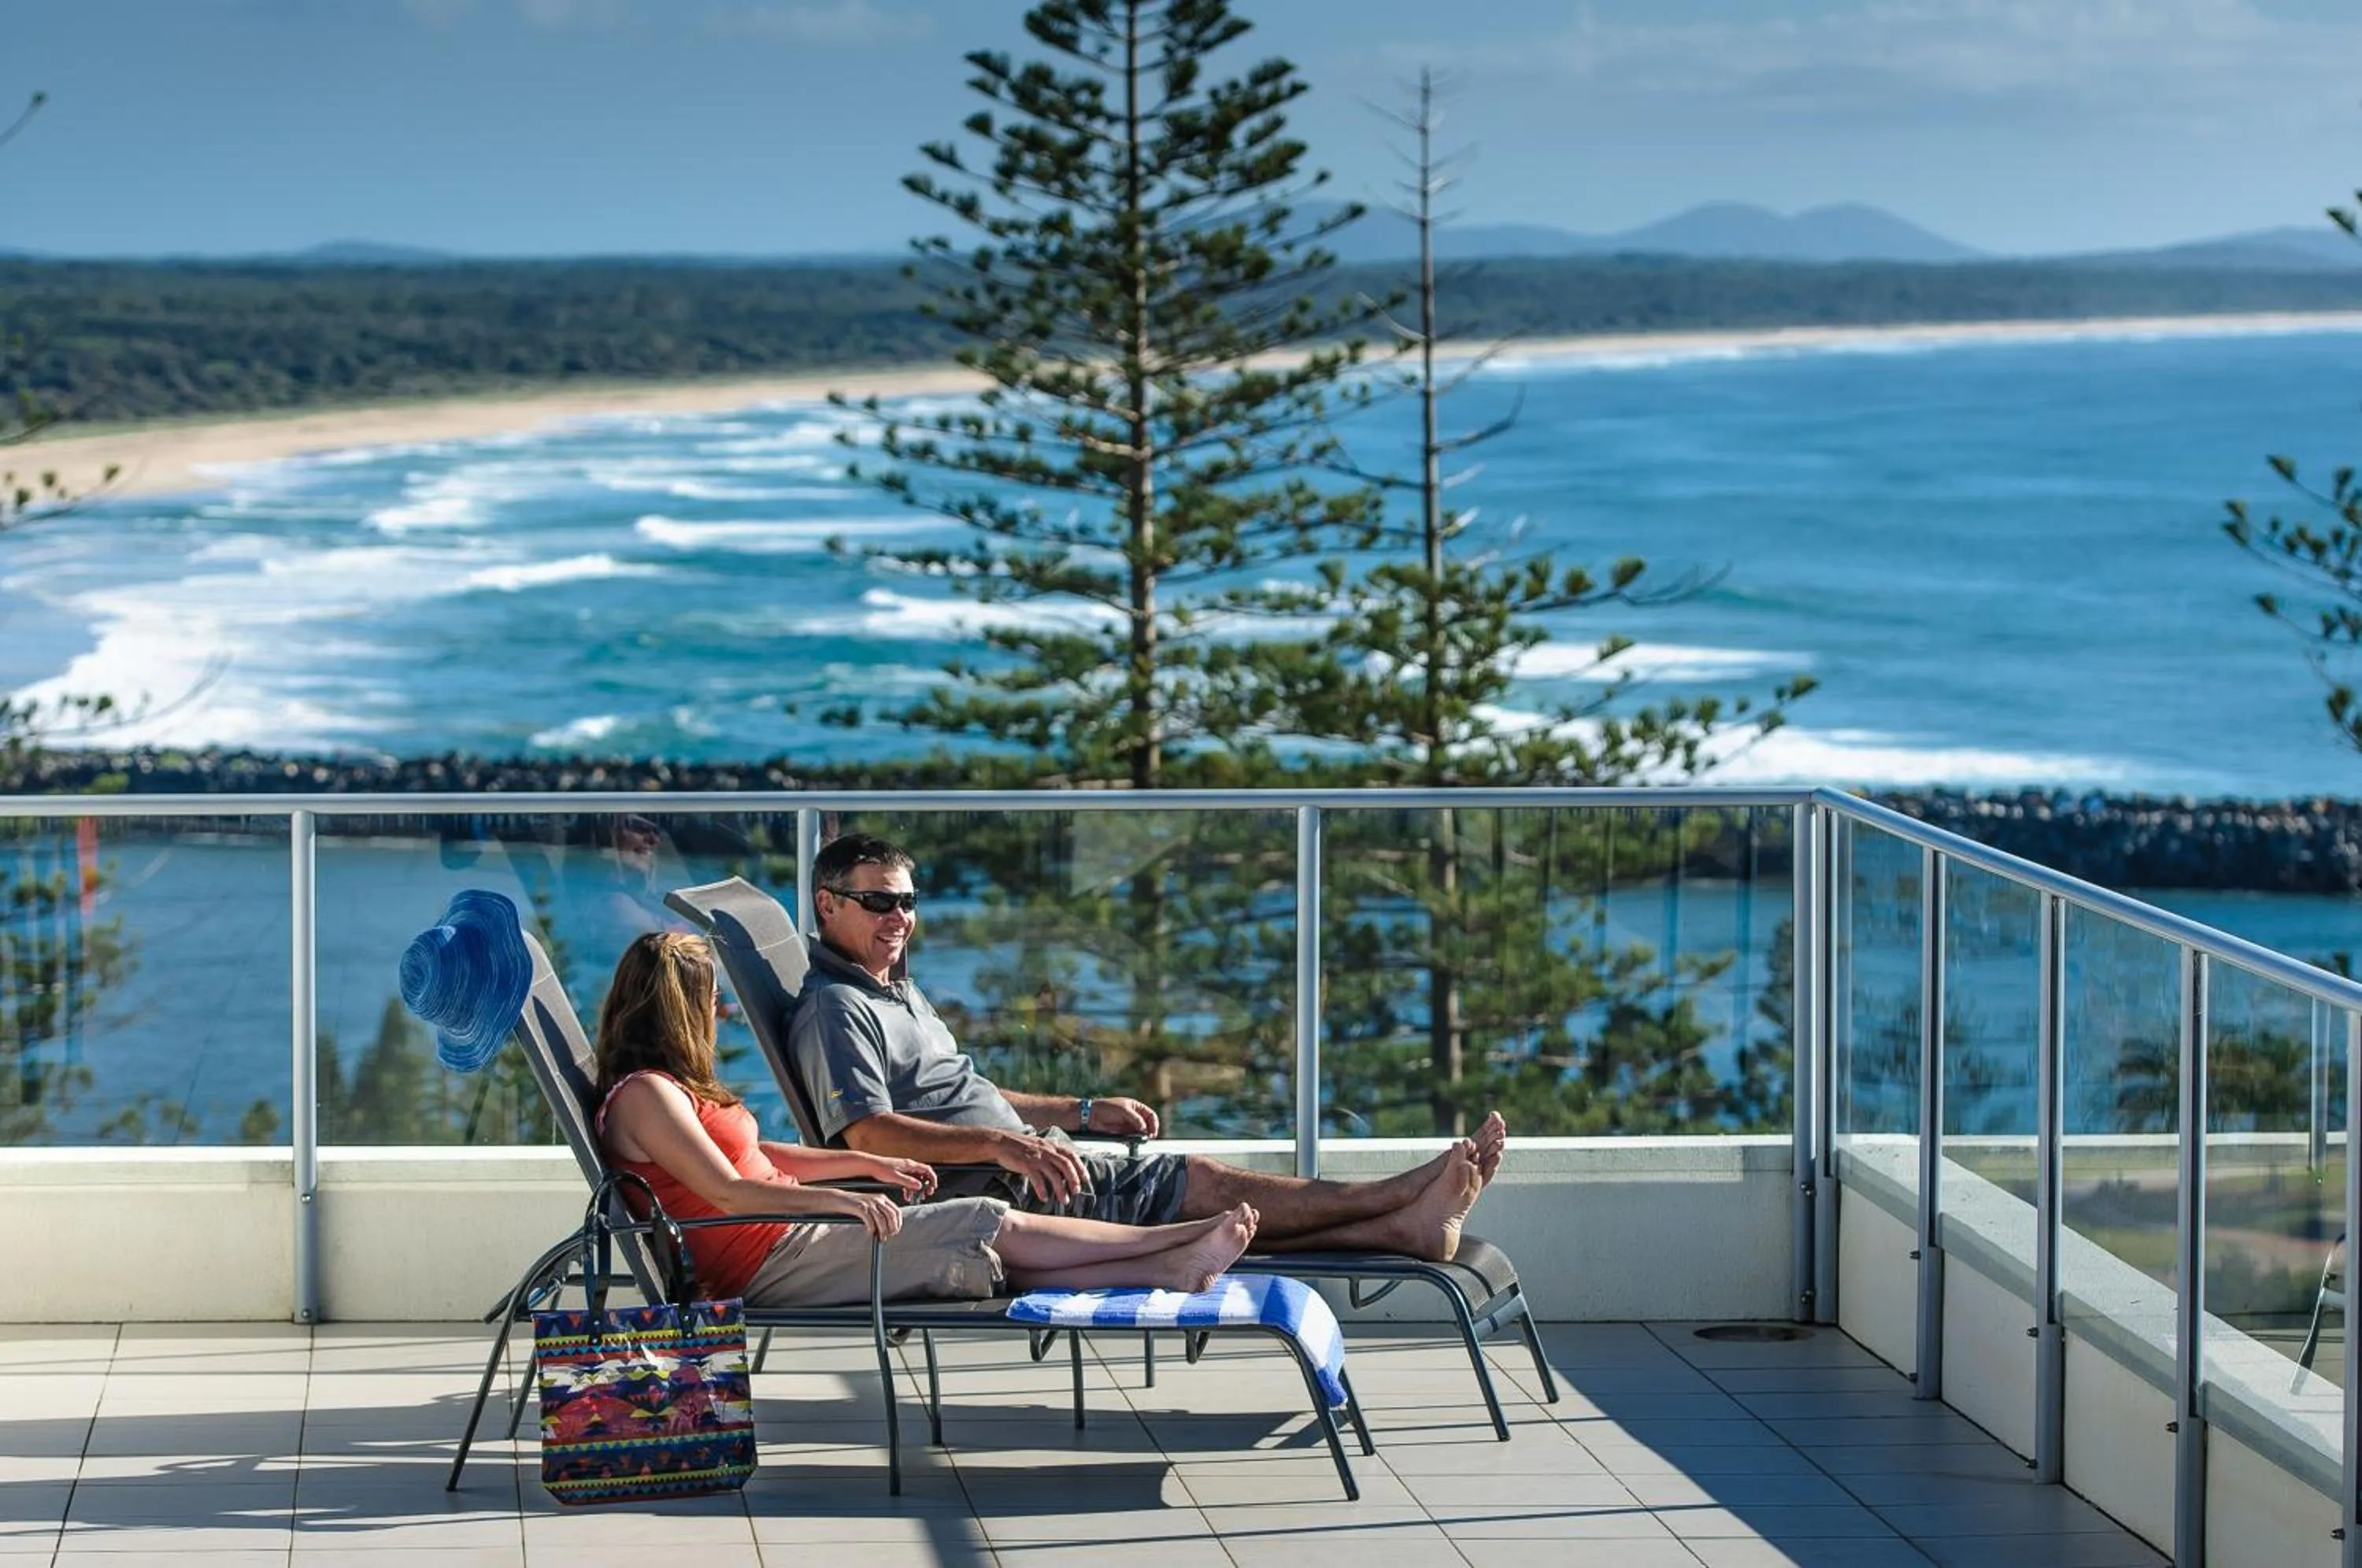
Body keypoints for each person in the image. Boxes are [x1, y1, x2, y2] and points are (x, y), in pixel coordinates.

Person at [787, 833, 1505, 1263]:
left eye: (907, 901)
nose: (900, 917)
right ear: (828, 905)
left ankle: (1403, 1226)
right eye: (879, 902)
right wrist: (1008, 1149)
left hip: (1030, 1166)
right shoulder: (836, 1007)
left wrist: (1081, 1109)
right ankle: (1398, 1199)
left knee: (1205, 1208)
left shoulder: (891, 988)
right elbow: (867, 1131)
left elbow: (965, 1094)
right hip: (998, 1194)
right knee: (1204, 1188)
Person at [594, 930, 1261, 1307]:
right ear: (682, 1010)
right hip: (768, 1261)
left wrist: (864, 1166)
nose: (720, 1016)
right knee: (988, 1222)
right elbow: (728, 1192)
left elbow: (759, 1158)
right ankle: (1177, 1240)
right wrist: (844, 1203)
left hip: (795, 1235)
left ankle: (1168, 1269)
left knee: (985, 1252)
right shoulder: (647, 1097)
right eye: (711, 1003)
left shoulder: (675, 1090)